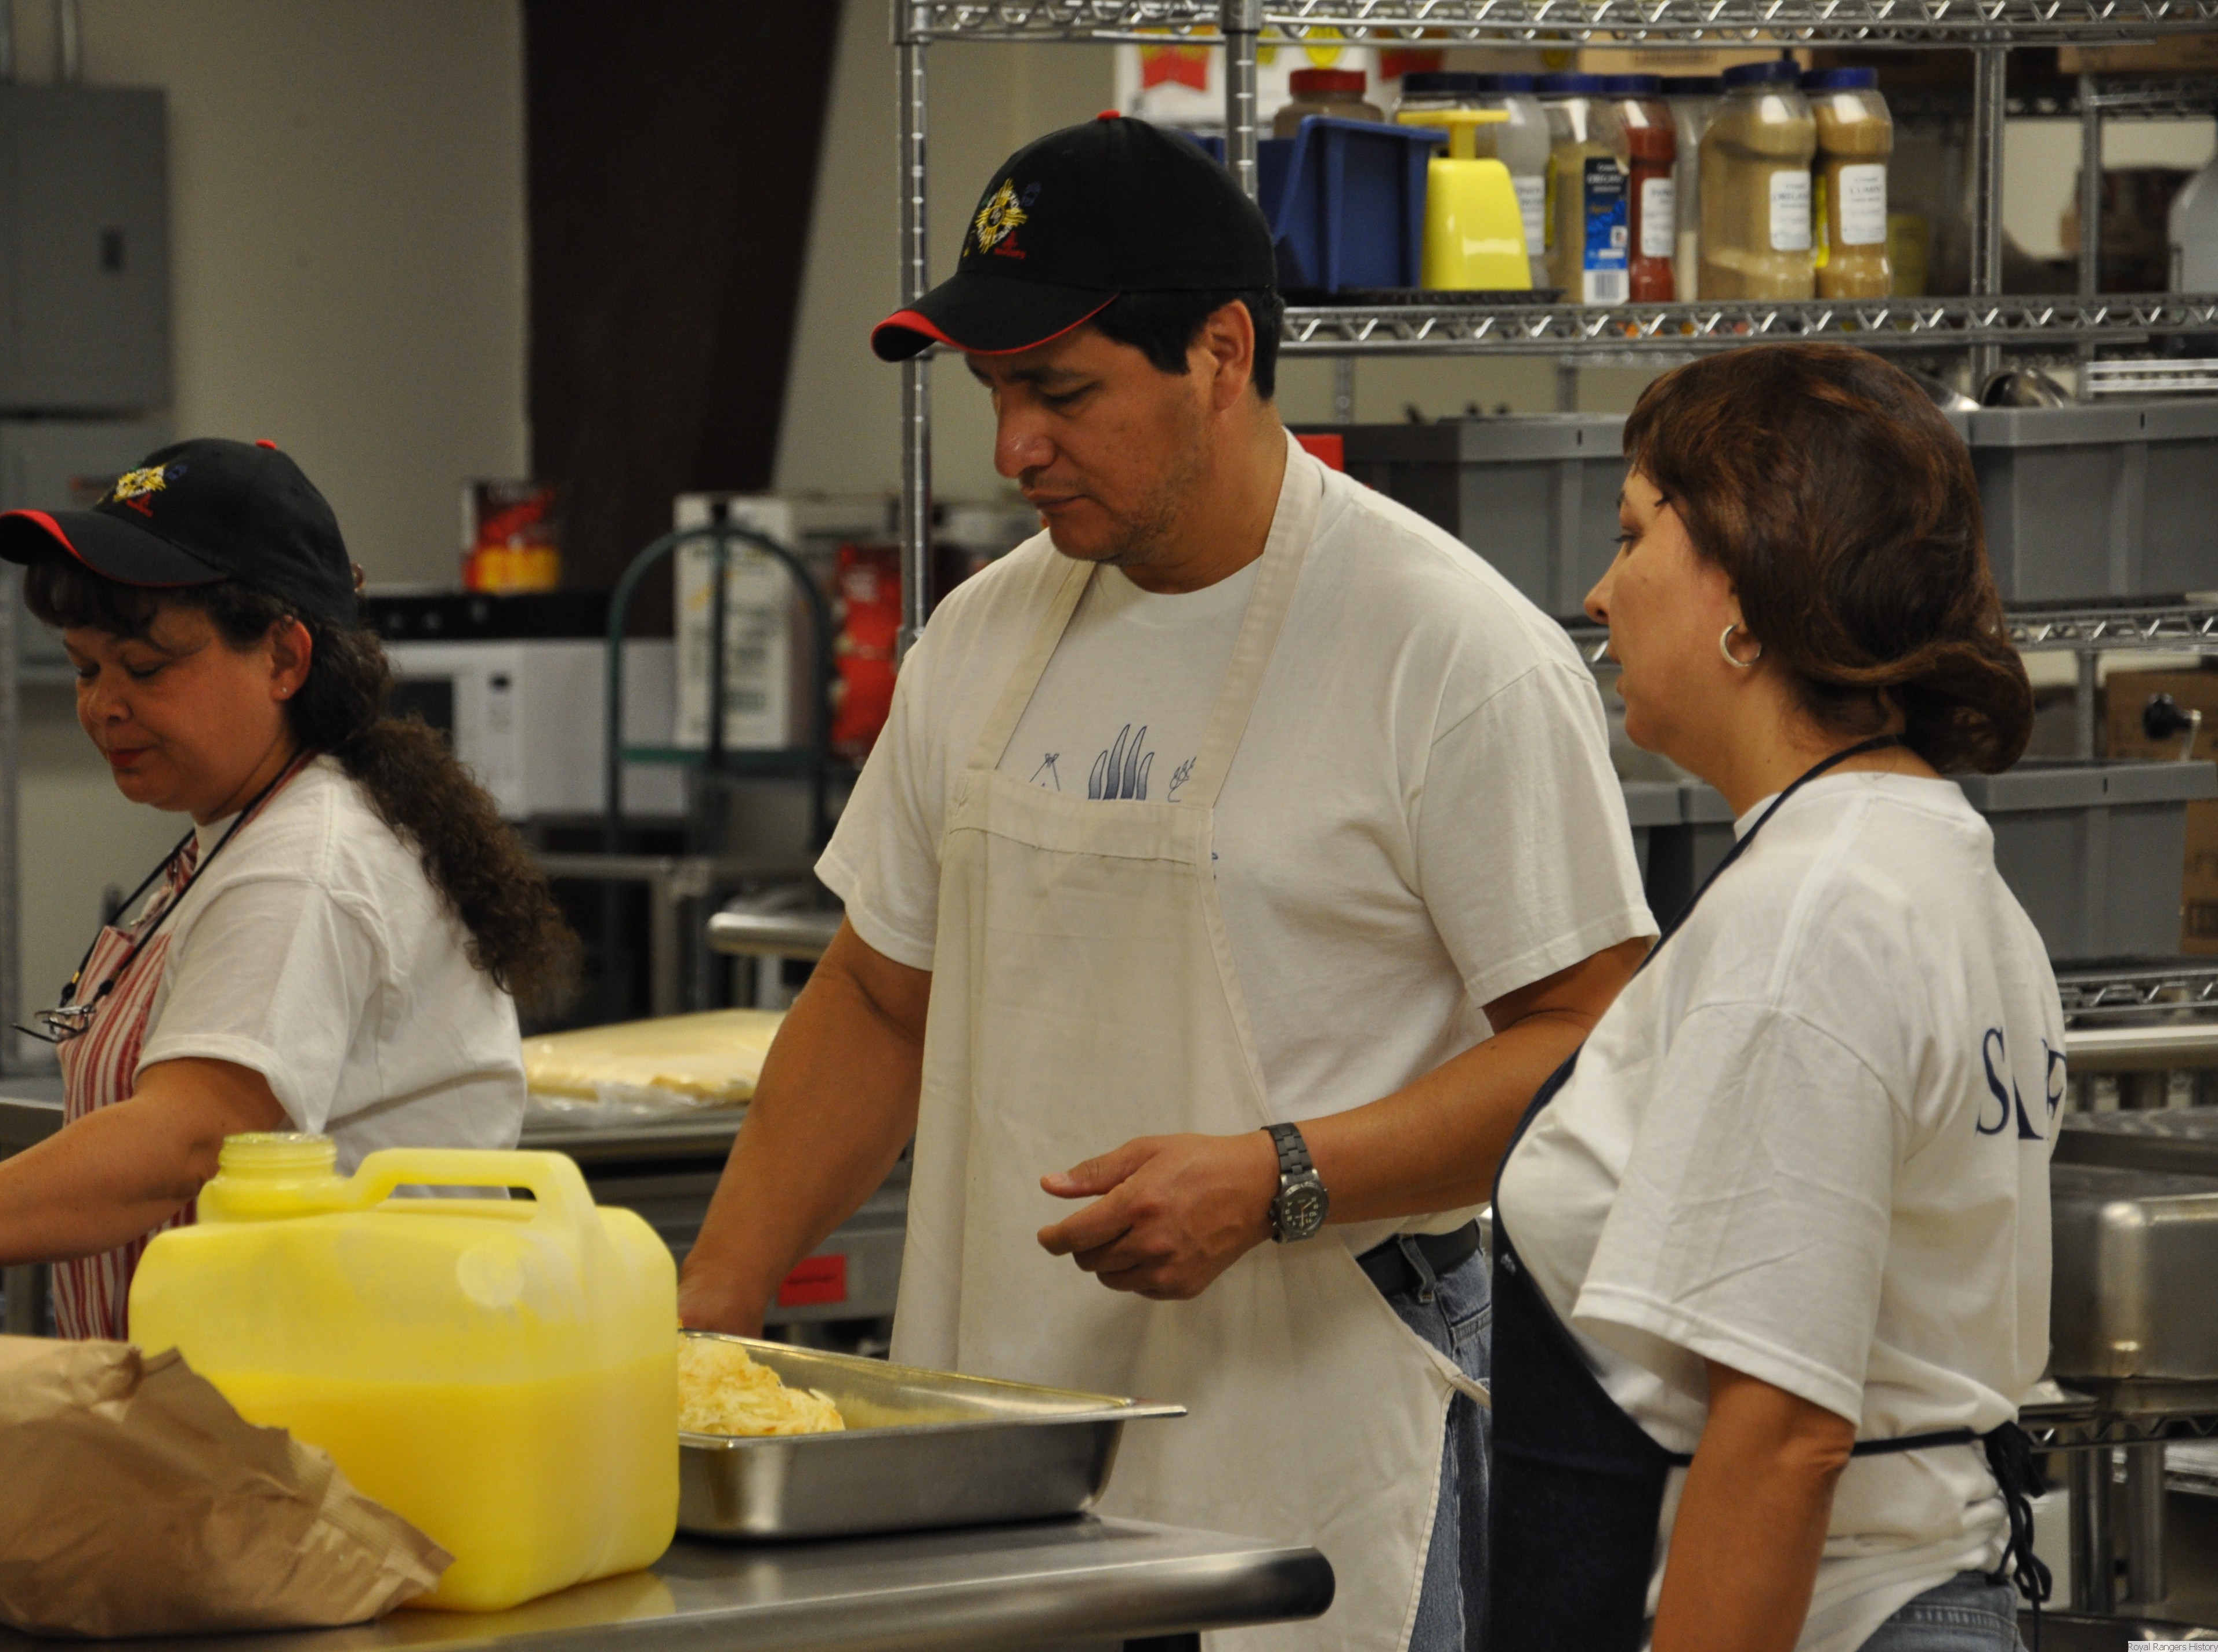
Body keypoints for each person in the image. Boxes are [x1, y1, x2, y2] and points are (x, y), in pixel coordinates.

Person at [678, 114, 1656, 1652]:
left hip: (1306, 1408)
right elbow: (875, 998)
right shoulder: (980, 638)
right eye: (994, 393)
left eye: (1060, 392)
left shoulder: (1448, 654)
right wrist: (709, 1311)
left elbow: (1594, 1049)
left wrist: (1282, 1176)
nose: (1011, 449)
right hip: (992, 1417)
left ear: (1219, 353)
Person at [1488, 342, 2058, 1652]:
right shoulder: (1925, 865)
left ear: (1743, 585)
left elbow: (1783, 1433)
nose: (1597, 592)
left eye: (1633, 534)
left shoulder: (1814, 915)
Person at [0, 439, 574, 1339]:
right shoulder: (246, 830)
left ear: (284, 658)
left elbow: (183, 1142)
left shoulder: (305, 863)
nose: (103, 705)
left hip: (333, 1395)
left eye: (145, 668)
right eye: (86, 669)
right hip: (233, 1382)